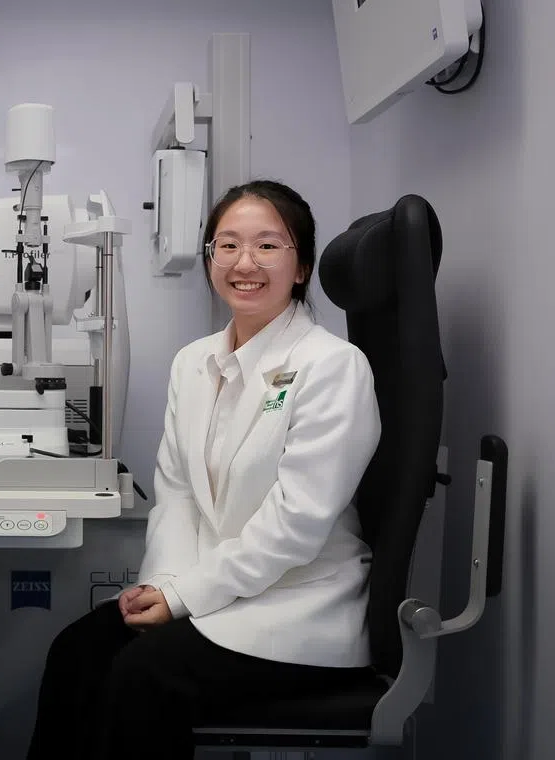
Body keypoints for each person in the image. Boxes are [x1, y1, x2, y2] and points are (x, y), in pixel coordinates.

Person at [25, 180, 381, 760]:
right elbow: (177, 494)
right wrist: (163, 587)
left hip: (299, 610)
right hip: (216, 593)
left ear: (301, 267)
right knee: (77, 650)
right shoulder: (194, 363)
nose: (246, 263)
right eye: (228, 245)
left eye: (269, 246)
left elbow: (296, 523)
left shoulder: (334, 367)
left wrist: (185, 598)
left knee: (142, 676)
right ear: (210, 257)